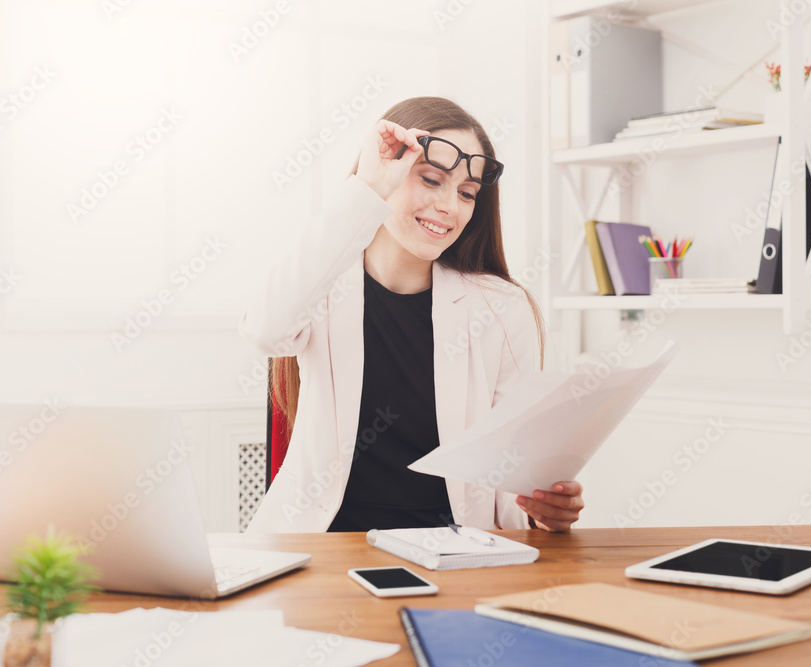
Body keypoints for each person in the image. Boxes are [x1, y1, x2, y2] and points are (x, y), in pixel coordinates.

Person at [242, 96, 583, 534]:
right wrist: (367, 188)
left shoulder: (501, 308)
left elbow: (512, 470)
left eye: (466, 193)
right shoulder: (322, 284)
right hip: (323, 551)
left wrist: (545, 513)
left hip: (453, 553)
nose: (450, 207)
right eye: (430, 179)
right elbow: (265, 331)